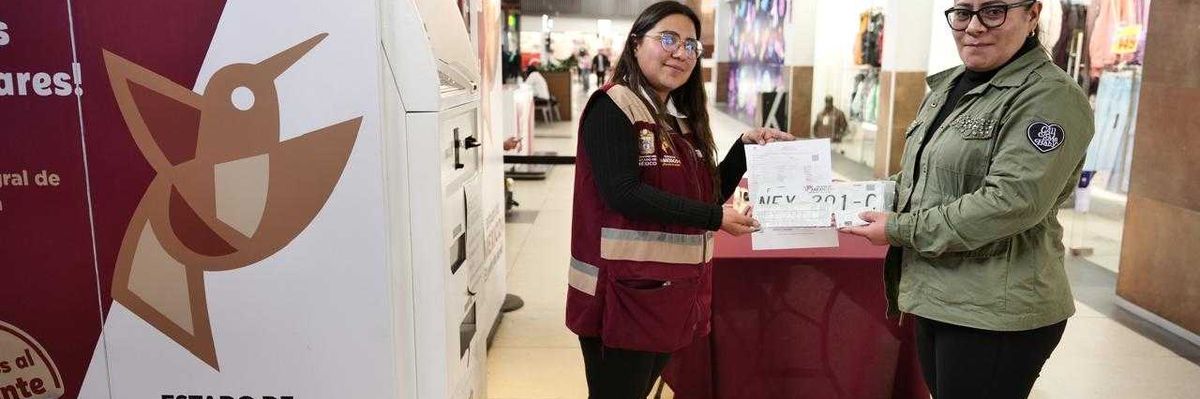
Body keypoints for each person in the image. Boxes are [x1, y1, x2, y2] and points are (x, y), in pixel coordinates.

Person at [842, 1, 1094, 398]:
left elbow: (1010, 201)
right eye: (963, 12)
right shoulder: (951, 84)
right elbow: (924, 177)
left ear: (1032, 15)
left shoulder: (1050, 97)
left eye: (993, 11)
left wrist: (899, 227)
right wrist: (841, 196)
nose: (974, 27)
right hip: (938, 293)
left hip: (996, 311)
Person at [566, 2, 793, 398]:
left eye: (691, 45)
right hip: (622, 299)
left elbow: (706, 192)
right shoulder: (613, 106)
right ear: (636, 43)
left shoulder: (676, 120)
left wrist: (743, 149)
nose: (680, 52)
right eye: (668, 39)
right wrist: (713, 217)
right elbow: (624, 194)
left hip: (667, 295)